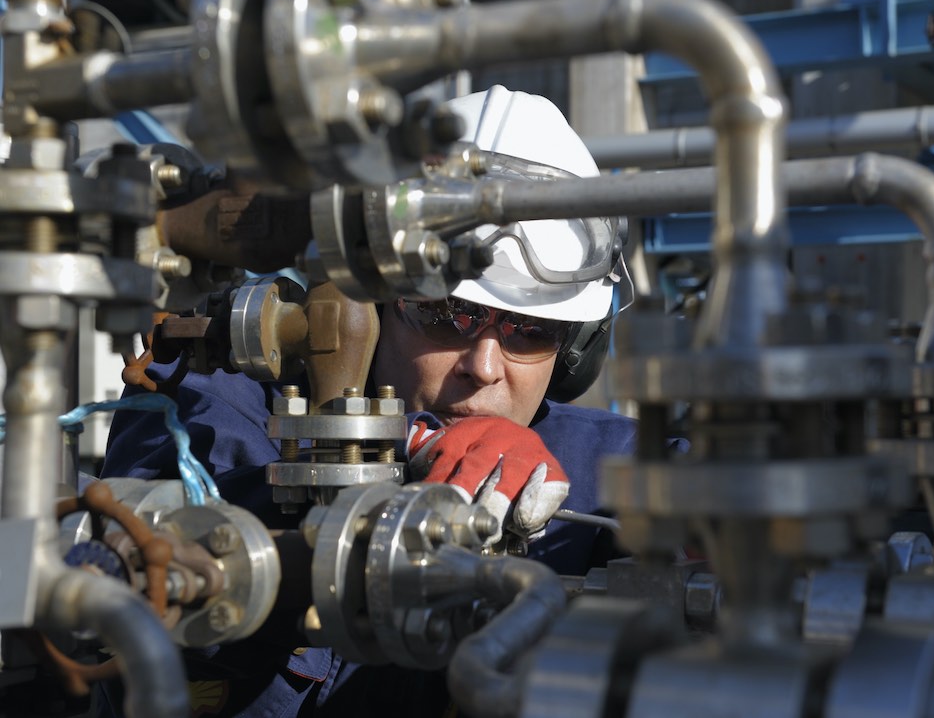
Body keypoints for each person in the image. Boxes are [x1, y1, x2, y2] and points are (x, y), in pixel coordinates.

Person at [96, 85, 639, 716]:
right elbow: (135, 544)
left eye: (532, 332)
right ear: (371, 305)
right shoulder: (215, 412)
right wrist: (382, 478)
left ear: (577, 351)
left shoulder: (606, 464)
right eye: (446, 315)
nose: (484, 368)